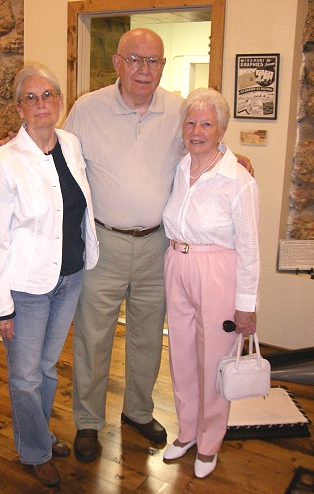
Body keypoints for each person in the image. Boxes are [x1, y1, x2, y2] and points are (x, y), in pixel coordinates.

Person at [0, 28, 253, 463]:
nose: (144, 69)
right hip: (104, 244)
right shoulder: (87, 108)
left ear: (163, 66)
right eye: (135, 60)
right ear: (117, 63)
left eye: (153, 61)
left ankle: (137, 411)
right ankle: (88, 422)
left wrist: (234, 158)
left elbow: (203, 139)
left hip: (159, 246)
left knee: (148, 337)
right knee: (93, 340)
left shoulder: (178, 109)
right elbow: (55, 147)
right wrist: (14, 147)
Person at [0, 63, 99, 487]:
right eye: (30, 98)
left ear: (60, 102)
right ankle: (34, 450)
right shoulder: (3, 162)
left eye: (47, 95)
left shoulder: (71, 144)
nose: (40, 104)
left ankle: (41, 433)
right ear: (18, 108)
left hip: (69, 278)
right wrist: (0, 307)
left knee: (47, 368)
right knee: (25, 376)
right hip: (26, 288)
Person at [162, 88, 260, 478]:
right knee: (182, 354)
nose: (197, 130)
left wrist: (247, 305)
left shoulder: (238, 180)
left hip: (218, 271)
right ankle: (187, 431)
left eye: (206, 123)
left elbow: (250, 247)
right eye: (190, 122)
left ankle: (209, 441)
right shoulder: (179, 167)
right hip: (176, 263)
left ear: (221, 130)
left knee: (213, 360)